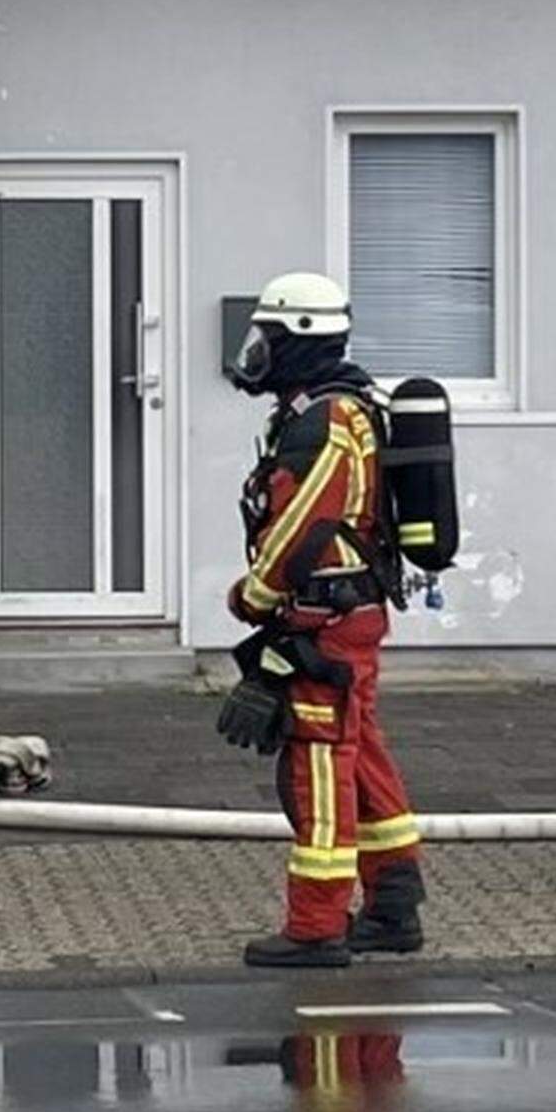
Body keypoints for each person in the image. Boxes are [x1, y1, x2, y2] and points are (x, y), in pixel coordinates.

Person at [222, 271, 425, 969]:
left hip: (324, 618)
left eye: (269, 339)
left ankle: (316, 926)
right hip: (342, 613)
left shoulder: (326, 419)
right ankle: (395, 907)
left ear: (300, 341)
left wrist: (252, 594)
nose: (259, 352)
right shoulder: (329, 409)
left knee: (320, 767)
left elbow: (302, 525)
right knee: (359, 752)